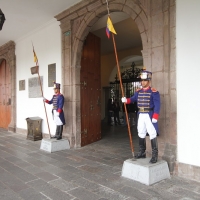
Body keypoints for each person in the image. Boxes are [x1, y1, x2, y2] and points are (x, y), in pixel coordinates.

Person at [121, 70, 160, 163]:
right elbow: (133, 99)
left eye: (145, 80)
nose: (142, 82)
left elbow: (157, 104)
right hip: (140, 115)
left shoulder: (154, 92)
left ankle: (155, 155)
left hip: (149, 115)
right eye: (142, 80)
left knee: (152, 133)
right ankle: (142, 152)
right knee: (141, 132)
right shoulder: (138, 91)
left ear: (149, 81)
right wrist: (126, 100)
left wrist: (155, 116)